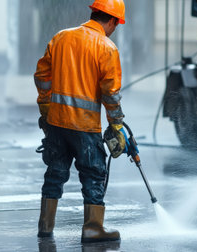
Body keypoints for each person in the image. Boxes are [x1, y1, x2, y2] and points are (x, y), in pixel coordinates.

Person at [34, 0, 127, 243]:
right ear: (112, 21)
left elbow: (42, 75)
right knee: (94, 174)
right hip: (85, 127)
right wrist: (116, 124)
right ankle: (93, 228)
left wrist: (45, 106)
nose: (114, 29)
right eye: (116, 25)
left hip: (56, 123)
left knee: (55, 172)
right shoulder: (106, 47)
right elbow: (111, 94)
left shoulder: (61, 37)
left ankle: (45, 225)